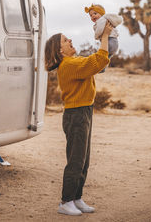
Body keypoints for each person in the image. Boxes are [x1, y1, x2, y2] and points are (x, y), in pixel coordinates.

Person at [44, 22, 113, 216]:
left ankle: (76, 198)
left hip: (84, 112)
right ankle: (66, 202)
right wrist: (105, 36)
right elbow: (98, 61)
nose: (70, 40)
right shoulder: (70, 65)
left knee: (84, 160)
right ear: (60, 51)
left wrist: (104, 40)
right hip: (76, 116)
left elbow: (97, 63)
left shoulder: (74, 63)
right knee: (76, 161)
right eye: (66, 41)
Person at [84, 4, 122, 72]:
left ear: (101, 13)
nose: (93, 16)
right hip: (114, 43)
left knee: (102, 56)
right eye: (91, 15)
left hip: (109, 41)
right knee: (106, 57)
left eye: (95, 13)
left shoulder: (102, 20)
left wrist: (96, 36)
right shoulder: (105, 20)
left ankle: (99, 68)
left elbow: (99, 30)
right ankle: (102, 69)